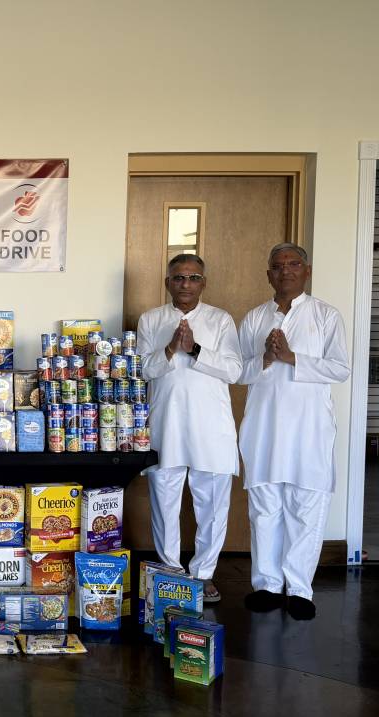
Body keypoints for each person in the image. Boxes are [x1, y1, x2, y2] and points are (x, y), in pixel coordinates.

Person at [238, 243, 349, 621]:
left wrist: (290, 357)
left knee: (306, 507)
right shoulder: (255, 318)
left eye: (294, 264)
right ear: (268, 274)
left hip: (309, 429)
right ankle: (267, 585)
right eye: (277, 265)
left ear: (307, 271)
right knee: (265, 508)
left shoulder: (325, 316)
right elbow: (239, 372)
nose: (285, 270)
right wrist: (266, 358)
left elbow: (340, 368)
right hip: (264, 427)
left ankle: (300, 589)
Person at [137, 253, 242, 603]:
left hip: (211, 426)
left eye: (194, 277)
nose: (186, 283)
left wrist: (194, 349)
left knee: (212, 504)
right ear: (167, 282)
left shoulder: (220, 319)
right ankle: (170, 571)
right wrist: (170, 348)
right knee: (164, 500)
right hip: (165, 423)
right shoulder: (151, 319)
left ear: (203, 283)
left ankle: (203, 573)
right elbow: (143, 370)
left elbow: (234, 371)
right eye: (179, 277)